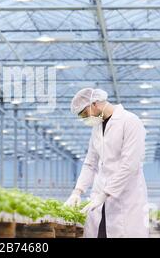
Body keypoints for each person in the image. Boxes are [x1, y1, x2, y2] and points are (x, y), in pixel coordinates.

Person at [64, 88, 149, 238]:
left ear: (94, 104)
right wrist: (77, 191)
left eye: (85, 114)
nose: (85, 119)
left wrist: (106, 193)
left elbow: (130, 165)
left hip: (125, 198)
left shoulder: (130, 121)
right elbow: (90, 163)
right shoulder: (97, 128)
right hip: (100, 200)